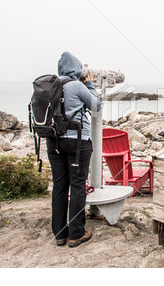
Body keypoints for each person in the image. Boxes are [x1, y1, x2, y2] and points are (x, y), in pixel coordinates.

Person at [46, 51, 101, 247]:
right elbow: (96, 106)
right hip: (76, 142)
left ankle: (60, 233)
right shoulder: (77, 85)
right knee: (77, 186)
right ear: (76, 69)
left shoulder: (51, 86)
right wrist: (90, 84)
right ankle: (76, 233)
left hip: (53, 142)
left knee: (59, 186)